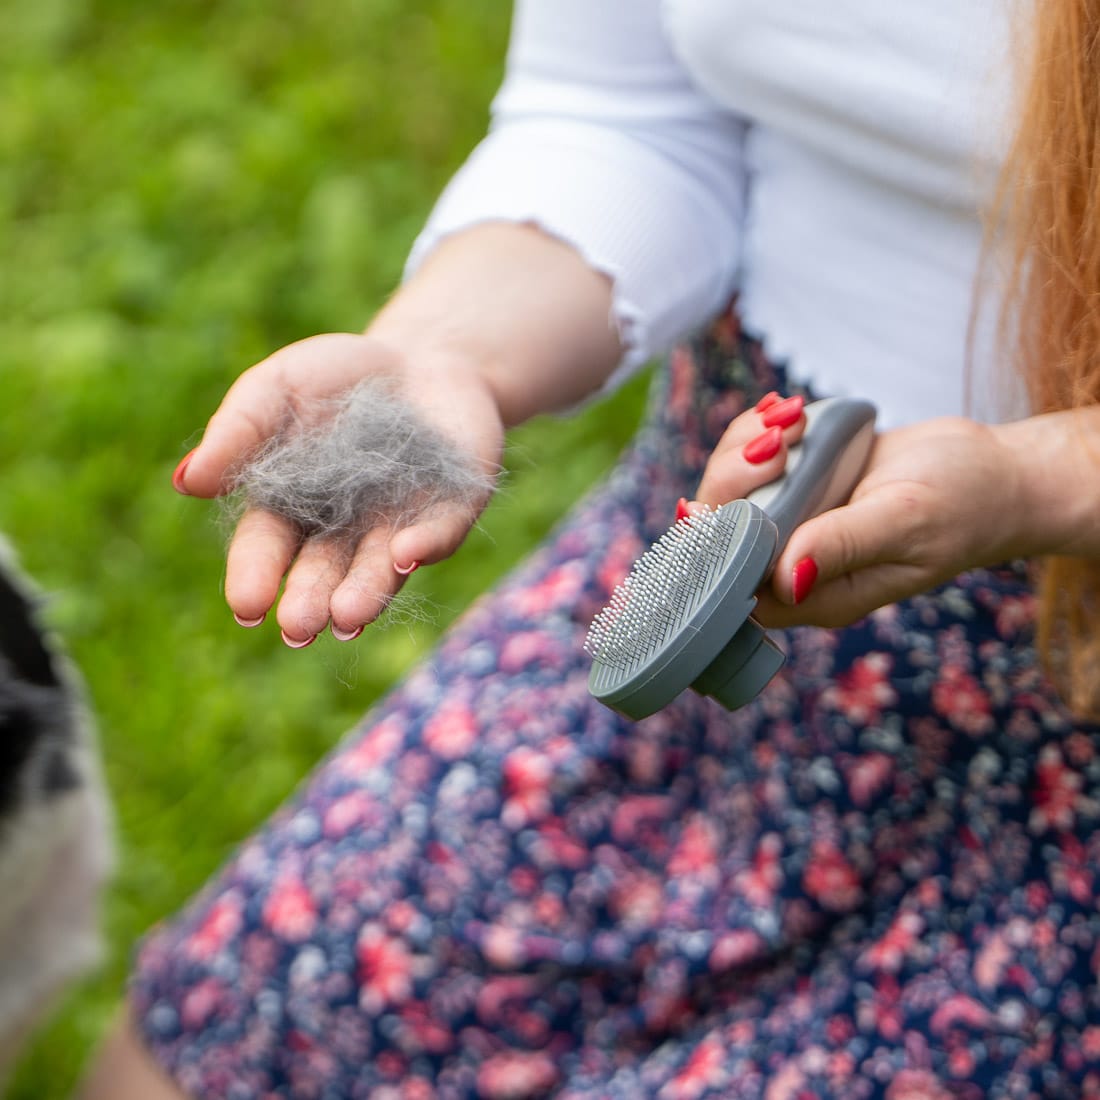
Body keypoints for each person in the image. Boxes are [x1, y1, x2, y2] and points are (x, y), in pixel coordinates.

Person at [80, 1, 1100, 1097]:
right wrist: (443, 350)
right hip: (708, 543)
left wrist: (1032, 481)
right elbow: (629, 113)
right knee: (214, 1042)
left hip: (1060, 734)